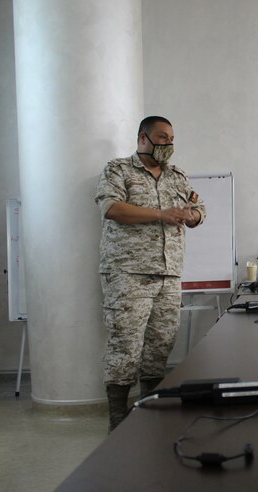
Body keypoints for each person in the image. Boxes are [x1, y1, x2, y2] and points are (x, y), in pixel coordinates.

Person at [95, 116, 205, 433]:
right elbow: (112, 208)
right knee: (125, 349)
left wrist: (194, 214)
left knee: (160, 347)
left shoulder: (178, 176)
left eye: (171, 138)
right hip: (128, 274)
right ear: (143, 138)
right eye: (161, 137)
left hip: (169, 274)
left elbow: (201, 208)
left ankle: (149, 415)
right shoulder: (118, 170)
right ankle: (118, 421)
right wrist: (161, 214)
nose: (168, 144)